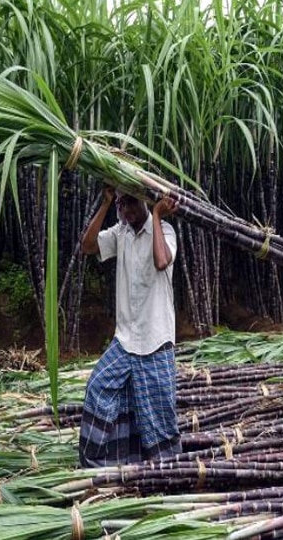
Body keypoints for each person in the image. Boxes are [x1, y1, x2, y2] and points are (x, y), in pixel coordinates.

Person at [78, 187, 181, 466]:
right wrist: (106, 202)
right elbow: (87, 246)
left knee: (159, 417)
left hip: (155, 341)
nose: (126, 210)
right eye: (122, 205)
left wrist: (158, 215)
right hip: (124, 342)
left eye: (131, 202)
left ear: (145, 201)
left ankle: (167, 473)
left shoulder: (166, 232)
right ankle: (98, 467)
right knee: (97, 388)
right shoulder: (120, 232)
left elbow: (162, 261)